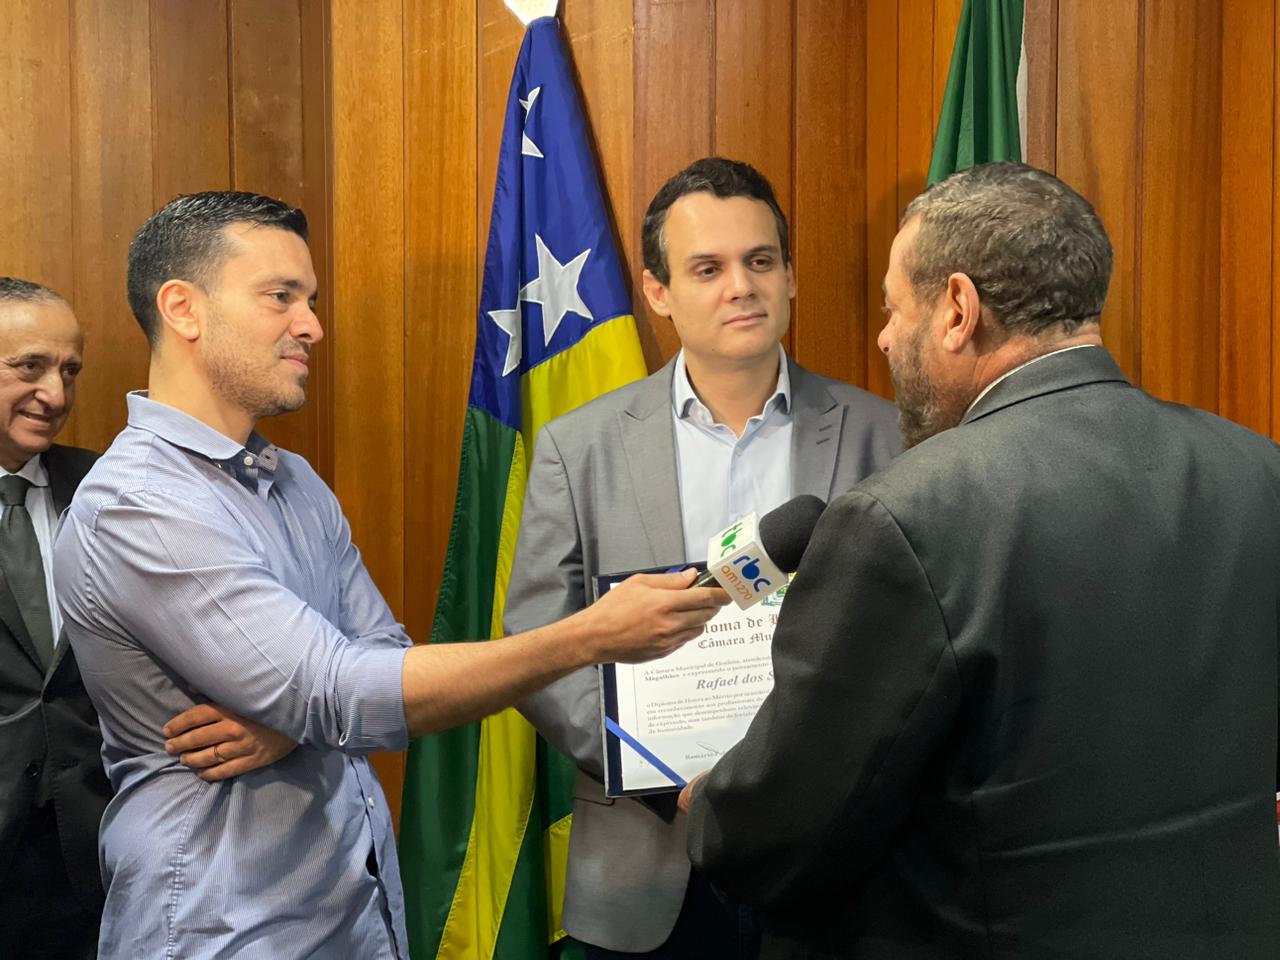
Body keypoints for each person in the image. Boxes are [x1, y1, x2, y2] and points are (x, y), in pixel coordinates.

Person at [52, 191, 728, 959]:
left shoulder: (293, 481)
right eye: (280, 297)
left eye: (309, 300)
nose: (311, 326)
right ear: (183, 308)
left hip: (353, 915)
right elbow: (340, 692)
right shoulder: (138, 505)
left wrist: (293, 720)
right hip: (225, 929)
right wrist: (588, 637)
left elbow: (376, 658)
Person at [682, 162, 1280, 959]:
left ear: (958, 310)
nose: (884, 337)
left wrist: (714, 813)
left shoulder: (903, 517)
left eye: (894, 308)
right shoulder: (1258, 470)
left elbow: (784, 830)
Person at [504, 157, 899, 958]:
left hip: (836, 867)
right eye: (708, 269)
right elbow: (539, 645)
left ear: (790, 276)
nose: (741, 288)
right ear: (658, 291)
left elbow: (913, 638)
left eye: (761, 261)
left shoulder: (887, 435)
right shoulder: (579, 448)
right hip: (647, 865)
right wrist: (656, 766)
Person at [0, 277, 293, 959]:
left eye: (70, 370)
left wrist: (282, 725)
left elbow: (221, 636)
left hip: (102, 850)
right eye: (30, 366)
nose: (56, 394)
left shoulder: (117, 489)